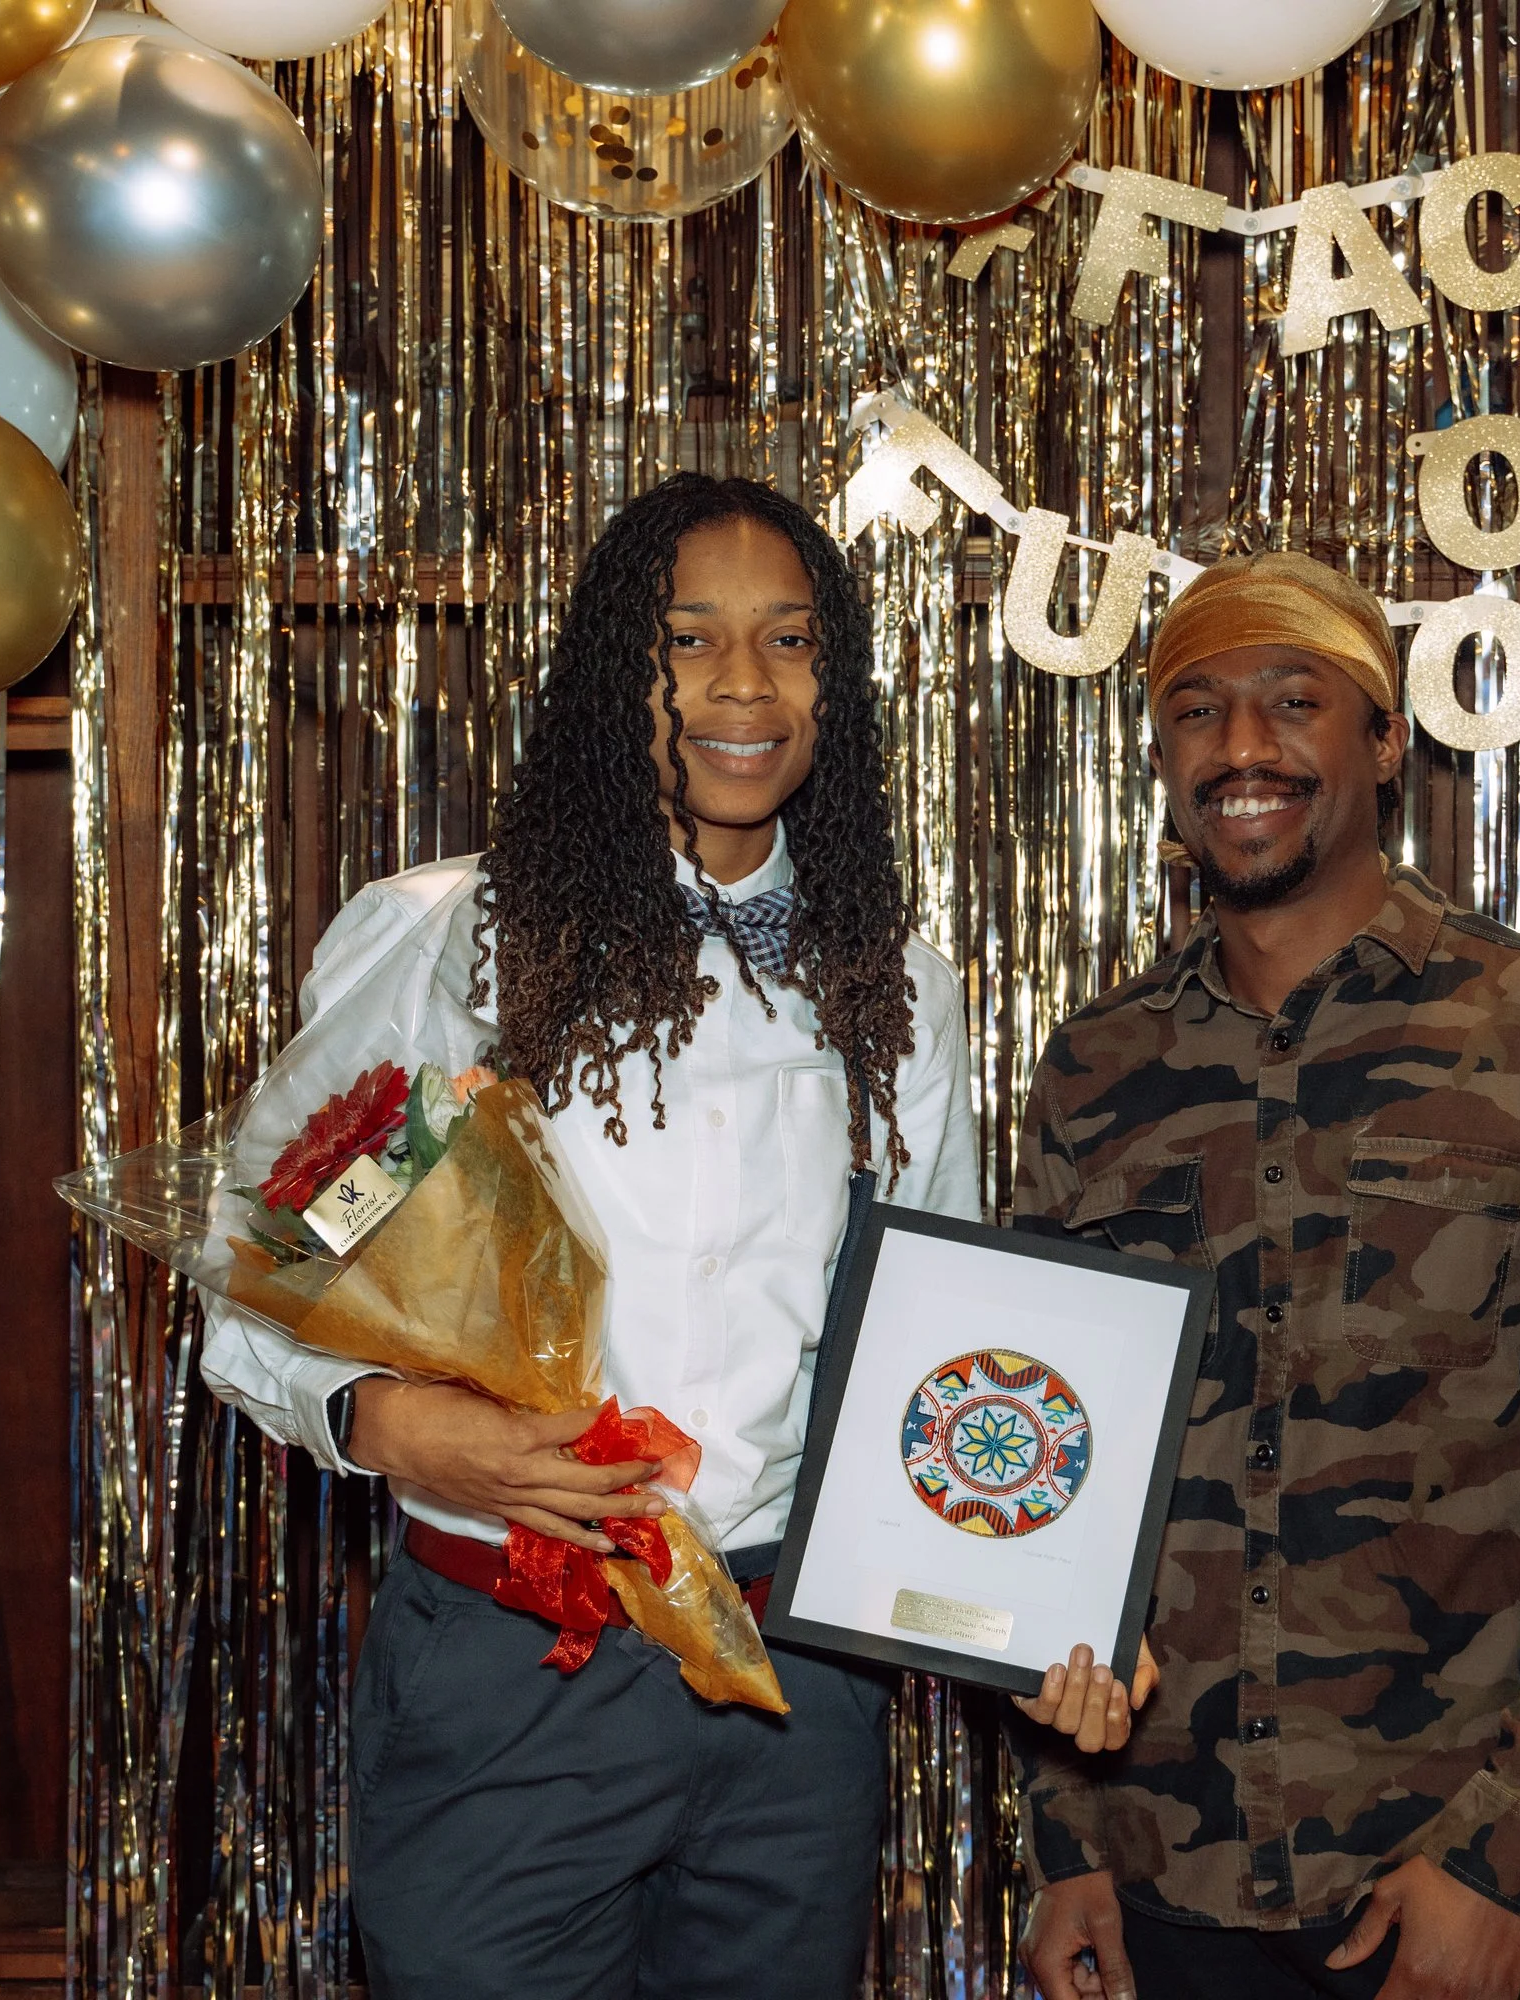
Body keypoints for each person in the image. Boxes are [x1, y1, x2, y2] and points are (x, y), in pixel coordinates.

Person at [199, 474, 989, 1999]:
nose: (742, 686)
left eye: (789, 641)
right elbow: (267, 1272)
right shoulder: (454, 942)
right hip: (513, 1660)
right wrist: (387, 1422)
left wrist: (1043, 1589)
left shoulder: (899, 986)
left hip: (793, 1686)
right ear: (610, 674)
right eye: (686, 641)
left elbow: (935, 1344)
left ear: (837, 684)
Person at [1010, 553, 1520, 2000]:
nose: (1245, 748)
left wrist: (1507, 1858)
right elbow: (1034, 1469)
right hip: (1164, 1891)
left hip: (1440, 1882)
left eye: (1294, 701)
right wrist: (1067, 1836)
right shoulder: (1095, 1071)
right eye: (1197, 710)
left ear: (1385, 739)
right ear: (1161, 758)